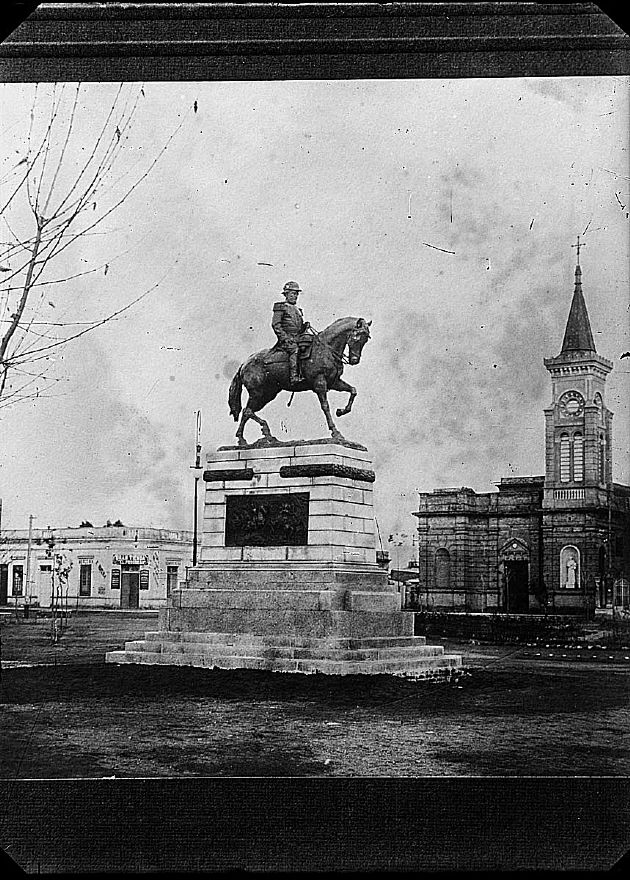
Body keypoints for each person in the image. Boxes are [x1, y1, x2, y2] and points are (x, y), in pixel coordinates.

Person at [272, 281, 310, 386]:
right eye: (292, 294)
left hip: (298, 338)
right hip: (286, 341)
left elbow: (298, 328)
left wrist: (304, 327)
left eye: (296, 294)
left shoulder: (298, 310)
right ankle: (294, 377)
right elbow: (276, 325)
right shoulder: (280, 307)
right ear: (286, 294)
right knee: (295, 350)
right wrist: (285, 338)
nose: (295, 296)